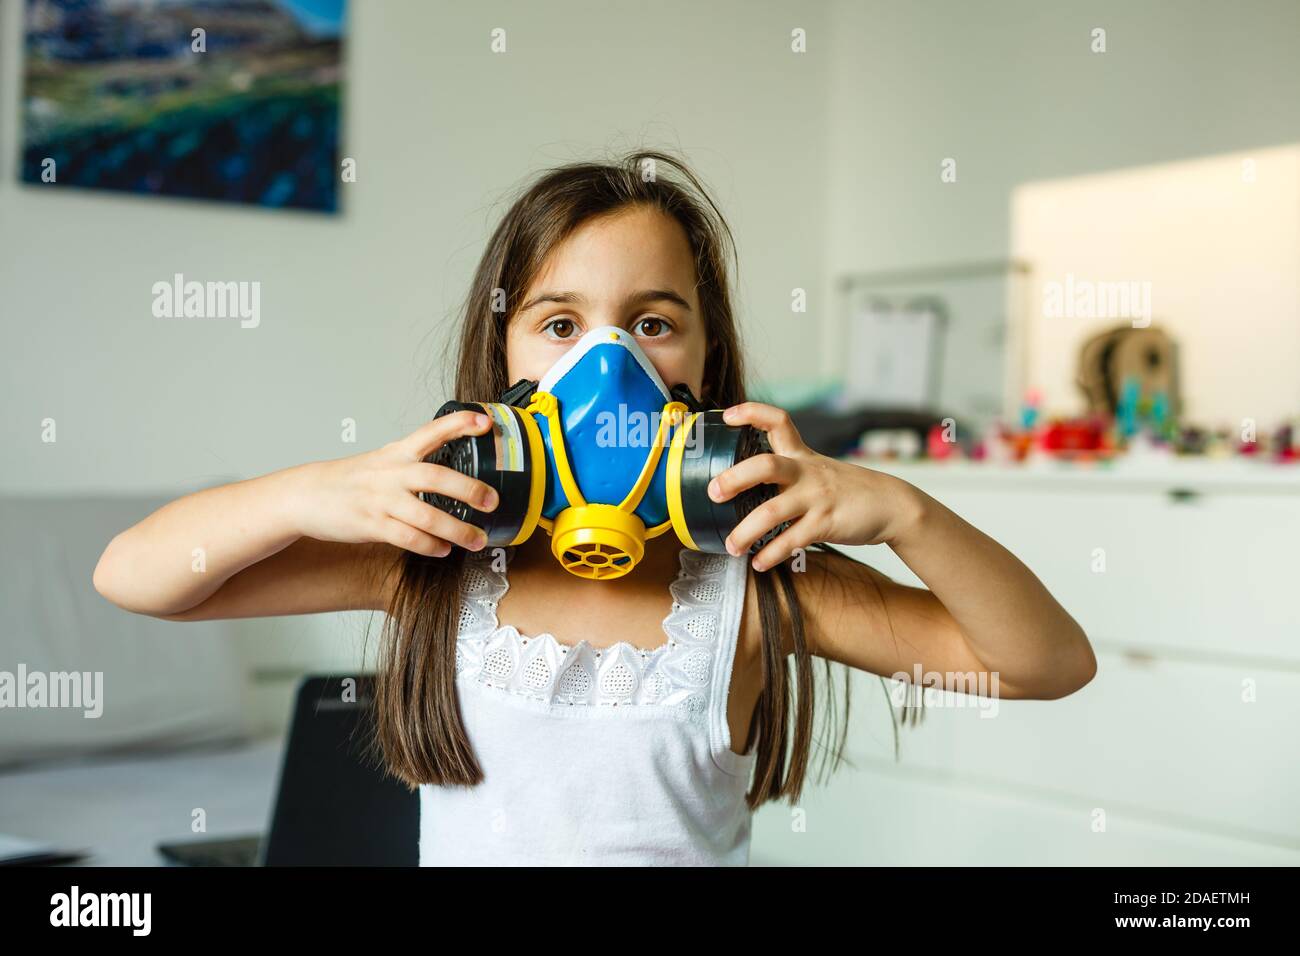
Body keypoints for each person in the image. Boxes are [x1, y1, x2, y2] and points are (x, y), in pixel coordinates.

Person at [93, 150, 1095, 865]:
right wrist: (314, 489)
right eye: (560, 322)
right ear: (503, 360)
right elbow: (137, 578)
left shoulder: (753, 577)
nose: (605, 365)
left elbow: (1045, 662)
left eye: (652, 322)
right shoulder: (432, 551)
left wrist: (906, 511)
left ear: (706, 364)